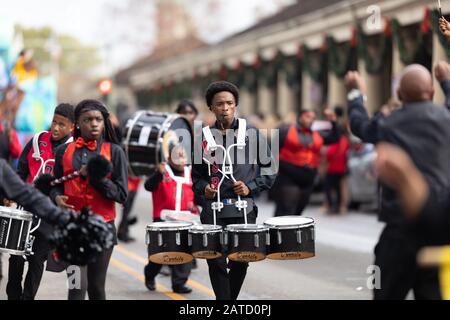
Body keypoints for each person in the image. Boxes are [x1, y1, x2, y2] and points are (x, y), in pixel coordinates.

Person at [345, 63, 450, 300]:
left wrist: (355, 93)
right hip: (440, 234)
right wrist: (446, 81)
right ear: (432, 93)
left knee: (384, 292)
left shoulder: (387, 124)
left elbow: (358, 124)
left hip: (398, 233)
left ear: (400, 95)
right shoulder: (447, 119)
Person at [192, 81, 277, 300]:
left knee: (241, 259)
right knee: (215, 259)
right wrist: (205, 190)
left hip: (243, 207)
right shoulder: (201, 137)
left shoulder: (252, 133)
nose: (225, 108)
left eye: (229, 103)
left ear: (236, 105)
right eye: (219, 104)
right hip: (213, 208)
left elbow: (270, 169)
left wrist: (250, 188)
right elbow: (197, 178)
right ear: (211, 107)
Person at [50, 99, 128, 300]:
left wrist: (97, 178)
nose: (94, 123)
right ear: (77, 123)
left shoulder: (115, 152)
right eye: (88, 120)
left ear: (104, 122)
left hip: (102, 229)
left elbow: (121, 195)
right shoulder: (62, 152)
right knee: (76, 288)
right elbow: (54, 184)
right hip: (72, 230)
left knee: (95, 288)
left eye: (98, 119)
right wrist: (57, 197)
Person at [6, 103, 74, 300]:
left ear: (72, 127)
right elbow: (21, 172)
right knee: (16, 256)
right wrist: (11, 192)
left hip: (49, 214)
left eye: (62, 124)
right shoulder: (36, 140)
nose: (56, 127)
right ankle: (13, 295)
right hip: (26, 209)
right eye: (54, 122)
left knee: (37, 260)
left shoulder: (72, 150)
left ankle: (28, 297)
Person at [144, 145, 199, 294]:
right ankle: (150, 274)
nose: (181, 159)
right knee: (160, 255)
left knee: (185, 253)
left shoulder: (191, 173)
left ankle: (179, 283)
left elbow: (198, 195)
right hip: (163, 220)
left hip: (185, 221)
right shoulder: (162, 171)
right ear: (169, 158)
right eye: (177, 156)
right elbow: (148, 186)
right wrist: (157, 174)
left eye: (183, 156)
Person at [274, 108, 342, 216]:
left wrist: (333, 121)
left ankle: (292, 231)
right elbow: (268, 149)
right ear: (300, 117)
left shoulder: (318, 135)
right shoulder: (285, 131)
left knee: (299, 211)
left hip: (308, 177)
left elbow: (335, 138)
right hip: (288, 176)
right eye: (307, 117)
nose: (311, 120)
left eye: (313, 118)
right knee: (286, 210)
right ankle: (277, 231)